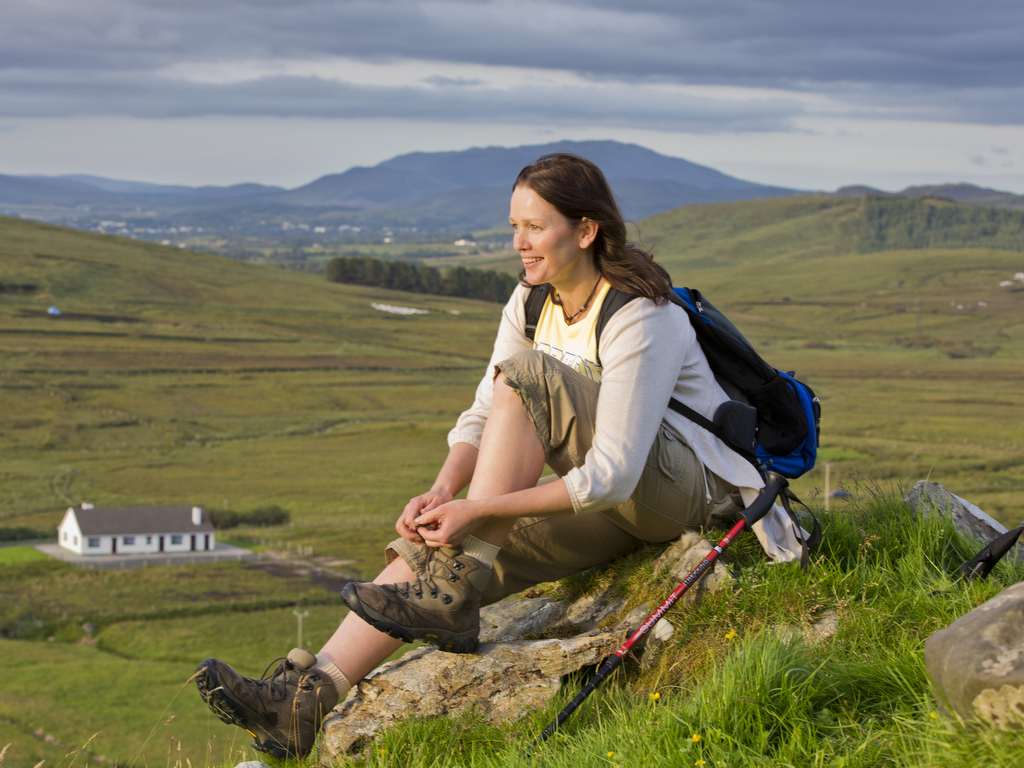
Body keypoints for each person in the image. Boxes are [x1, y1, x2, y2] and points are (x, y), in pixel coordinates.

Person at [194, 153, 803, 758]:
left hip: (686, 494)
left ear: (586, 231)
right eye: (514, 226)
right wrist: (444, 492)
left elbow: (613, 475)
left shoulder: (640, 313)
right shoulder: (531, 301)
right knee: (438, 540)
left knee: (525, 385)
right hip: (611, 499)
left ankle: (457, 588)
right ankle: (305, 700)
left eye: (535, 227)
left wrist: (479, 508)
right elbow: (484, 412)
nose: (520, 242)